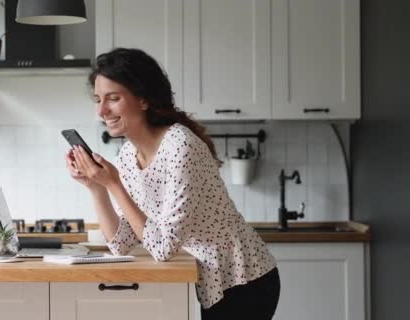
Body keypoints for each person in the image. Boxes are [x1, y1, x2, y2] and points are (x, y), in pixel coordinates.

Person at [65, 47, 280, 319]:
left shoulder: (180, 146)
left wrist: (114, 184)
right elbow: (122, 243)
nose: (102, 110)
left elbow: (163, 248)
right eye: (98, 99)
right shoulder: (128, 156)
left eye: (113, 98)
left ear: (144, 100)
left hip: (244, 279)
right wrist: (97, 187)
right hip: (210, 282)